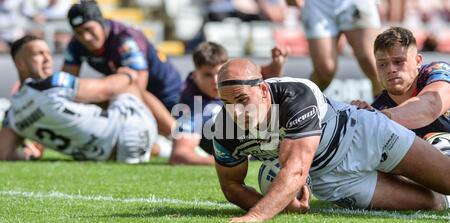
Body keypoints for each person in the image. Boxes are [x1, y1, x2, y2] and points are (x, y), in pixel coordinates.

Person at [212, 58, 450, 223]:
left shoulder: (295, 94)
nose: (237, 112)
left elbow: (295, 171)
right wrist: (276, 204)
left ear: (263, 90)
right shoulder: (224, 128)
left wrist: (257, 215)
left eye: (243, 100)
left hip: (366, 135)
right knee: (434, 203)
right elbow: (232, 185)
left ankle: (437, 147)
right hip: (332, 180)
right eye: (227, 103)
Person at [0, 35, 158, 163]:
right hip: (131, 134)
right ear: (20, 63)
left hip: (108, 156)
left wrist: (28, 153)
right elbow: (105, 89)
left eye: (48, 53)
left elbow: (3, 153)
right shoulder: (52, 83)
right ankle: (177, 135)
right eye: (39, 54)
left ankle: (166, 145)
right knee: (129, 87)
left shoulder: (13, 114)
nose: (47, 58)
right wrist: (128, 75)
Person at [170, 41, 288, 165]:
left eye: (219, 73)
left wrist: (277, 64)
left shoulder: (233, 75)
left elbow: (265, 76)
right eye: (208, 75)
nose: (216, 81)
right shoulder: (193, 106)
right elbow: (179, 155)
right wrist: (225, 161)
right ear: (195, 76)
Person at [62, 0, 182, 114]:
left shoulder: (126, 39)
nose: (86, 37)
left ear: (101, 22)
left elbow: (136, 87)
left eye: (89, 29)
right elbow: (65, 85)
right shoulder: (75, 44)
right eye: (79, 32)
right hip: (135, 92)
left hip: (169, 94)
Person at [351, 27, 450, 138]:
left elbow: (432, 104)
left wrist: (380, 118)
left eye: (398, 62)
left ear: (418, 61)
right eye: (382, 64)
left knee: (439, 142)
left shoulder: (437, 71)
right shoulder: (378, 109)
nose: (390, 69)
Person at [286, 0, 382, 97]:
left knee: (373, 63)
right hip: (317, 4)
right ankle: (299, 106)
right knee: (324, 71)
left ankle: (386, 108)